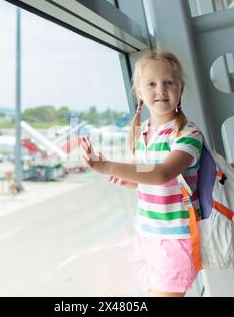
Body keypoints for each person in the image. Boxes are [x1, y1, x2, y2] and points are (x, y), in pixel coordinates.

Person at [80, 51, 204, 297]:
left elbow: (162, 173)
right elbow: (152, 178)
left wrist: (109, 166)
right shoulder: (143, 131)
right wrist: (133, 181)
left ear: (181, 88)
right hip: (146, 233)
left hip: (174, 239)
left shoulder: (187, 134)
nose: (161, 90)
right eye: (151, 84)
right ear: (138, 91)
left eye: (169, 82)